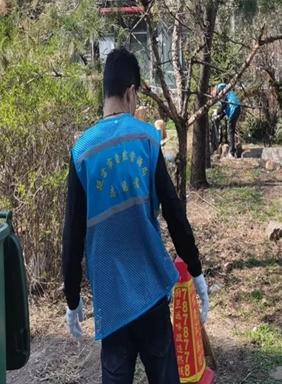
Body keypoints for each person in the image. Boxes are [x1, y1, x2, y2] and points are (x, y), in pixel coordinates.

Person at [62, 48, 209, 384]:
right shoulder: (146, 139)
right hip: (151, 292)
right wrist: (196, 269)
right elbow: (173, 211)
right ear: (131, 92)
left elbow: (72, 235)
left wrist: (72, 299)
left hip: (111, 300)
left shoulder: (82, 152)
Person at [214, 82, 241, 158]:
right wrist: (219, 117)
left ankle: (232, 152)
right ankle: (233, 152)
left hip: (233, 108)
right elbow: (224, 110)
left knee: (230, 131)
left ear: (213, 89)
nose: (213, 96)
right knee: (231, 130)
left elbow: (224, 104)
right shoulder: (221, 96)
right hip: (236, 107)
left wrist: (217, 112)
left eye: (212, 94)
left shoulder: (220, 88)